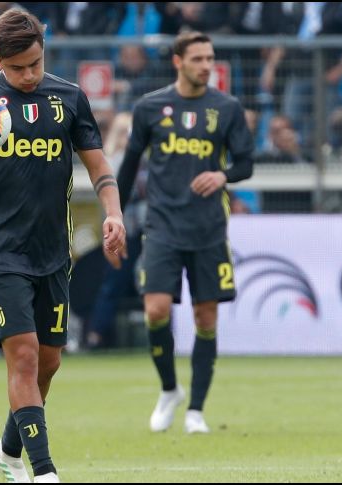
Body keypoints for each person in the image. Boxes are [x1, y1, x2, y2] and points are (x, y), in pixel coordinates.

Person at [0, 9, 126, 483]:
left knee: (48, 363)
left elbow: (99, 166)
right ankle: (44, 471)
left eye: (35, 63)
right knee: (24, 356)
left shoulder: (69, 97)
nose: (29, 74)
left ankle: (8, 451)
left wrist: (114, 213)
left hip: (53, 251)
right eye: (17, 68)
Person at [117, 31, 254, 435]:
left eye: (210, 58)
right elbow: (129, 165)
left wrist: (223, 175)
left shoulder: (226, 108)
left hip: (208, 228)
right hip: (162, 225)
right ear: (178, 62)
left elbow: (246, 163)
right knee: (156, 310)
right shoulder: (150, 107)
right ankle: (169, 389)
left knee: (205, 317)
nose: (206, 66)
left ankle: (196, 410)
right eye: (198, 59)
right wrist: (115, 215)